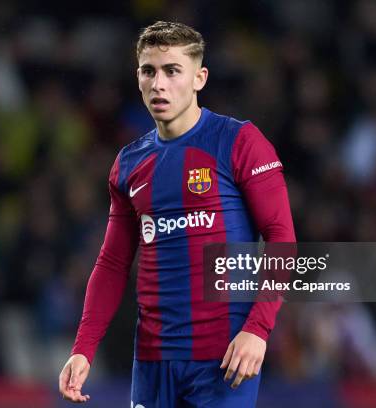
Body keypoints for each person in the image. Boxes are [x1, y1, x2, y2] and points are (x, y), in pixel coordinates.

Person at [59, 21, 295, 407]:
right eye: (148, 71)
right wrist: (84, 347)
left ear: (199, 78)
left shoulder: (239, 142)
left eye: (172, 71)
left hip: (223, 360)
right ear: (137, 78)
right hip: (152, 362)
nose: (158, 83)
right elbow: (113, 261)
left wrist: (258, 329)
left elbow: (282, 238)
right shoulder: (129, 163)